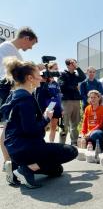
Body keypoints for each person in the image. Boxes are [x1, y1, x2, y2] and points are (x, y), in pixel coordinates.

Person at [0, 58, 78, 188]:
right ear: (30, 78)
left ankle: (17, 166)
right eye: (38, 75)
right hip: (27, 148)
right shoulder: (26, 100)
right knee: (71, 151)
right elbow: (31, 130)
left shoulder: (13, 96)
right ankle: (26, 169)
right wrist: (46, 118)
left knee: (57, 170)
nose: (41, 77)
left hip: (15, 148)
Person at [0, 27, 38, 177]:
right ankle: (8, 160)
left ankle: (9, 160)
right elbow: (12, 73)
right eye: (31, 44)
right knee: (9, 125)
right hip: (6, 87)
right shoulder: (7, 48)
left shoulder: (12, 50)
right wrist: (34, 69)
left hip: (9, 87)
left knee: (10, 125)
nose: (30, 48)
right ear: (26, 38)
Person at [58, 58, 86, 145]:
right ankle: (62, 143)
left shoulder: (75, 75)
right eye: (73, 64)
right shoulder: (62, 75)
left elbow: (83, 77)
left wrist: (77, 67)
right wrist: (74, 87)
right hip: (66, 102)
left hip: (76, 101)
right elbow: (62, 86)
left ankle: (74, 142)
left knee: (75, 124)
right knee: (64, 125)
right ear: (68, 65)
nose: (75, 65)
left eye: (75, 63)